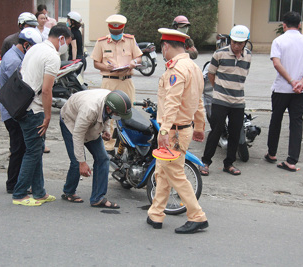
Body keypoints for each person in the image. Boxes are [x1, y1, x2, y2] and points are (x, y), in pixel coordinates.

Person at [147, 28, 208, 234]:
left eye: (161, 48)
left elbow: (172, 102)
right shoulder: (194, 67)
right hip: (184, 128)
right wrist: (199, 126)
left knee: (174, 173)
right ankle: (156, 213)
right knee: (162, 172)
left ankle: (197, 216)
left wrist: (163, 131)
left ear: (166, 46)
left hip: (173, 131)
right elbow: (199, 102)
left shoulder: (176, 70)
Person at [11, 24, 72, 206]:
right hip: (34, 110)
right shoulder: (52, 56)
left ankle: (39, 192)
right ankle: (20, 194)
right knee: (33, 152)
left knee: (36, 150)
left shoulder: (35, 48)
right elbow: (47, 90)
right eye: (67, 43)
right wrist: (47, 116)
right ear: (61, 39)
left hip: (22, 106)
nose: (66, 47)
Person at [60, 89, 132, 208]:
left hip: (91, 123)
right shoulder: (89, 110)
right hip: (71, 121)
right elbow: (78, 135)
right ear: (109, 109)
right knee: (76, 162)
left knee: (103, 158)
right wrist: (82, 162)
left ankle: (97, 198)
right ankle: (69, 191)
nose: (118, 117)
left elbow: (107, 117)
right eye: (118, 114)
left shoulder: (111, 100)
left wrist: (106, 130)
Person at [265, 11, 303, 172]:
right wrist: (300, 83)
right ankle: (292, 160)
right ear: (300, 24)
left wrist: (291, 81)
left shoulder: (279, 41)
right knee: (296, 123)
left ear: (284, 25)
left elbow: (276, 63)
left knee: (276, 119)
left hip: (282, 88)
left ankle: (272, 153)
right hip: (301, 91)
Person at [199, 25, 252, 176]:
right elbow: (211, 74)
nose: (236, 45)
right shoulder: (219, 54)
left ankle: (229, 164)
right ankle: (205, 162)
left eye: (240, 43)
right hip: (220, 100)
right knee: (216, 130)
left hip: (238, 101)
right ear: (230, 40)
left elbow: (244, 74)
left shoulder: (248, 55)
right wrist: (218, 89)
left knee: (235, 133)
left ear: (246, 42)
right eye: (234, 42)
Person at [91, 14, 142, 156]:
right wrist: (106, 67)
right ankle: (108, 146)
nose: (116, 35)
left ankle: (126, 144)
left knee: (127, 113)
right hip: (109, 80)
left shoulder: (130, 40)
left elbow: (139, 57)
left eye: (118, 32)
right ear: (109, 29)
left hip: (126, 81)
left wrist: (134, 62)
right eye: (113, 33)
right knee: (108, 112)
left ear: (123, 29)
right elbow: (96, 62)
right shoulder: (101, 42)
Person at [0, 28, 43, 194]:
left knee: (22, 148)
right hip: (13, 112)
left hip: (15, 110)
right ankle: (13, 185)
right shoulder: (13, 61)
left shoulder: (18, 57)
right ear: (26, 45)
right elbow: (21, 88)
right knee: (18, 148)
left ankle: (17, 182)